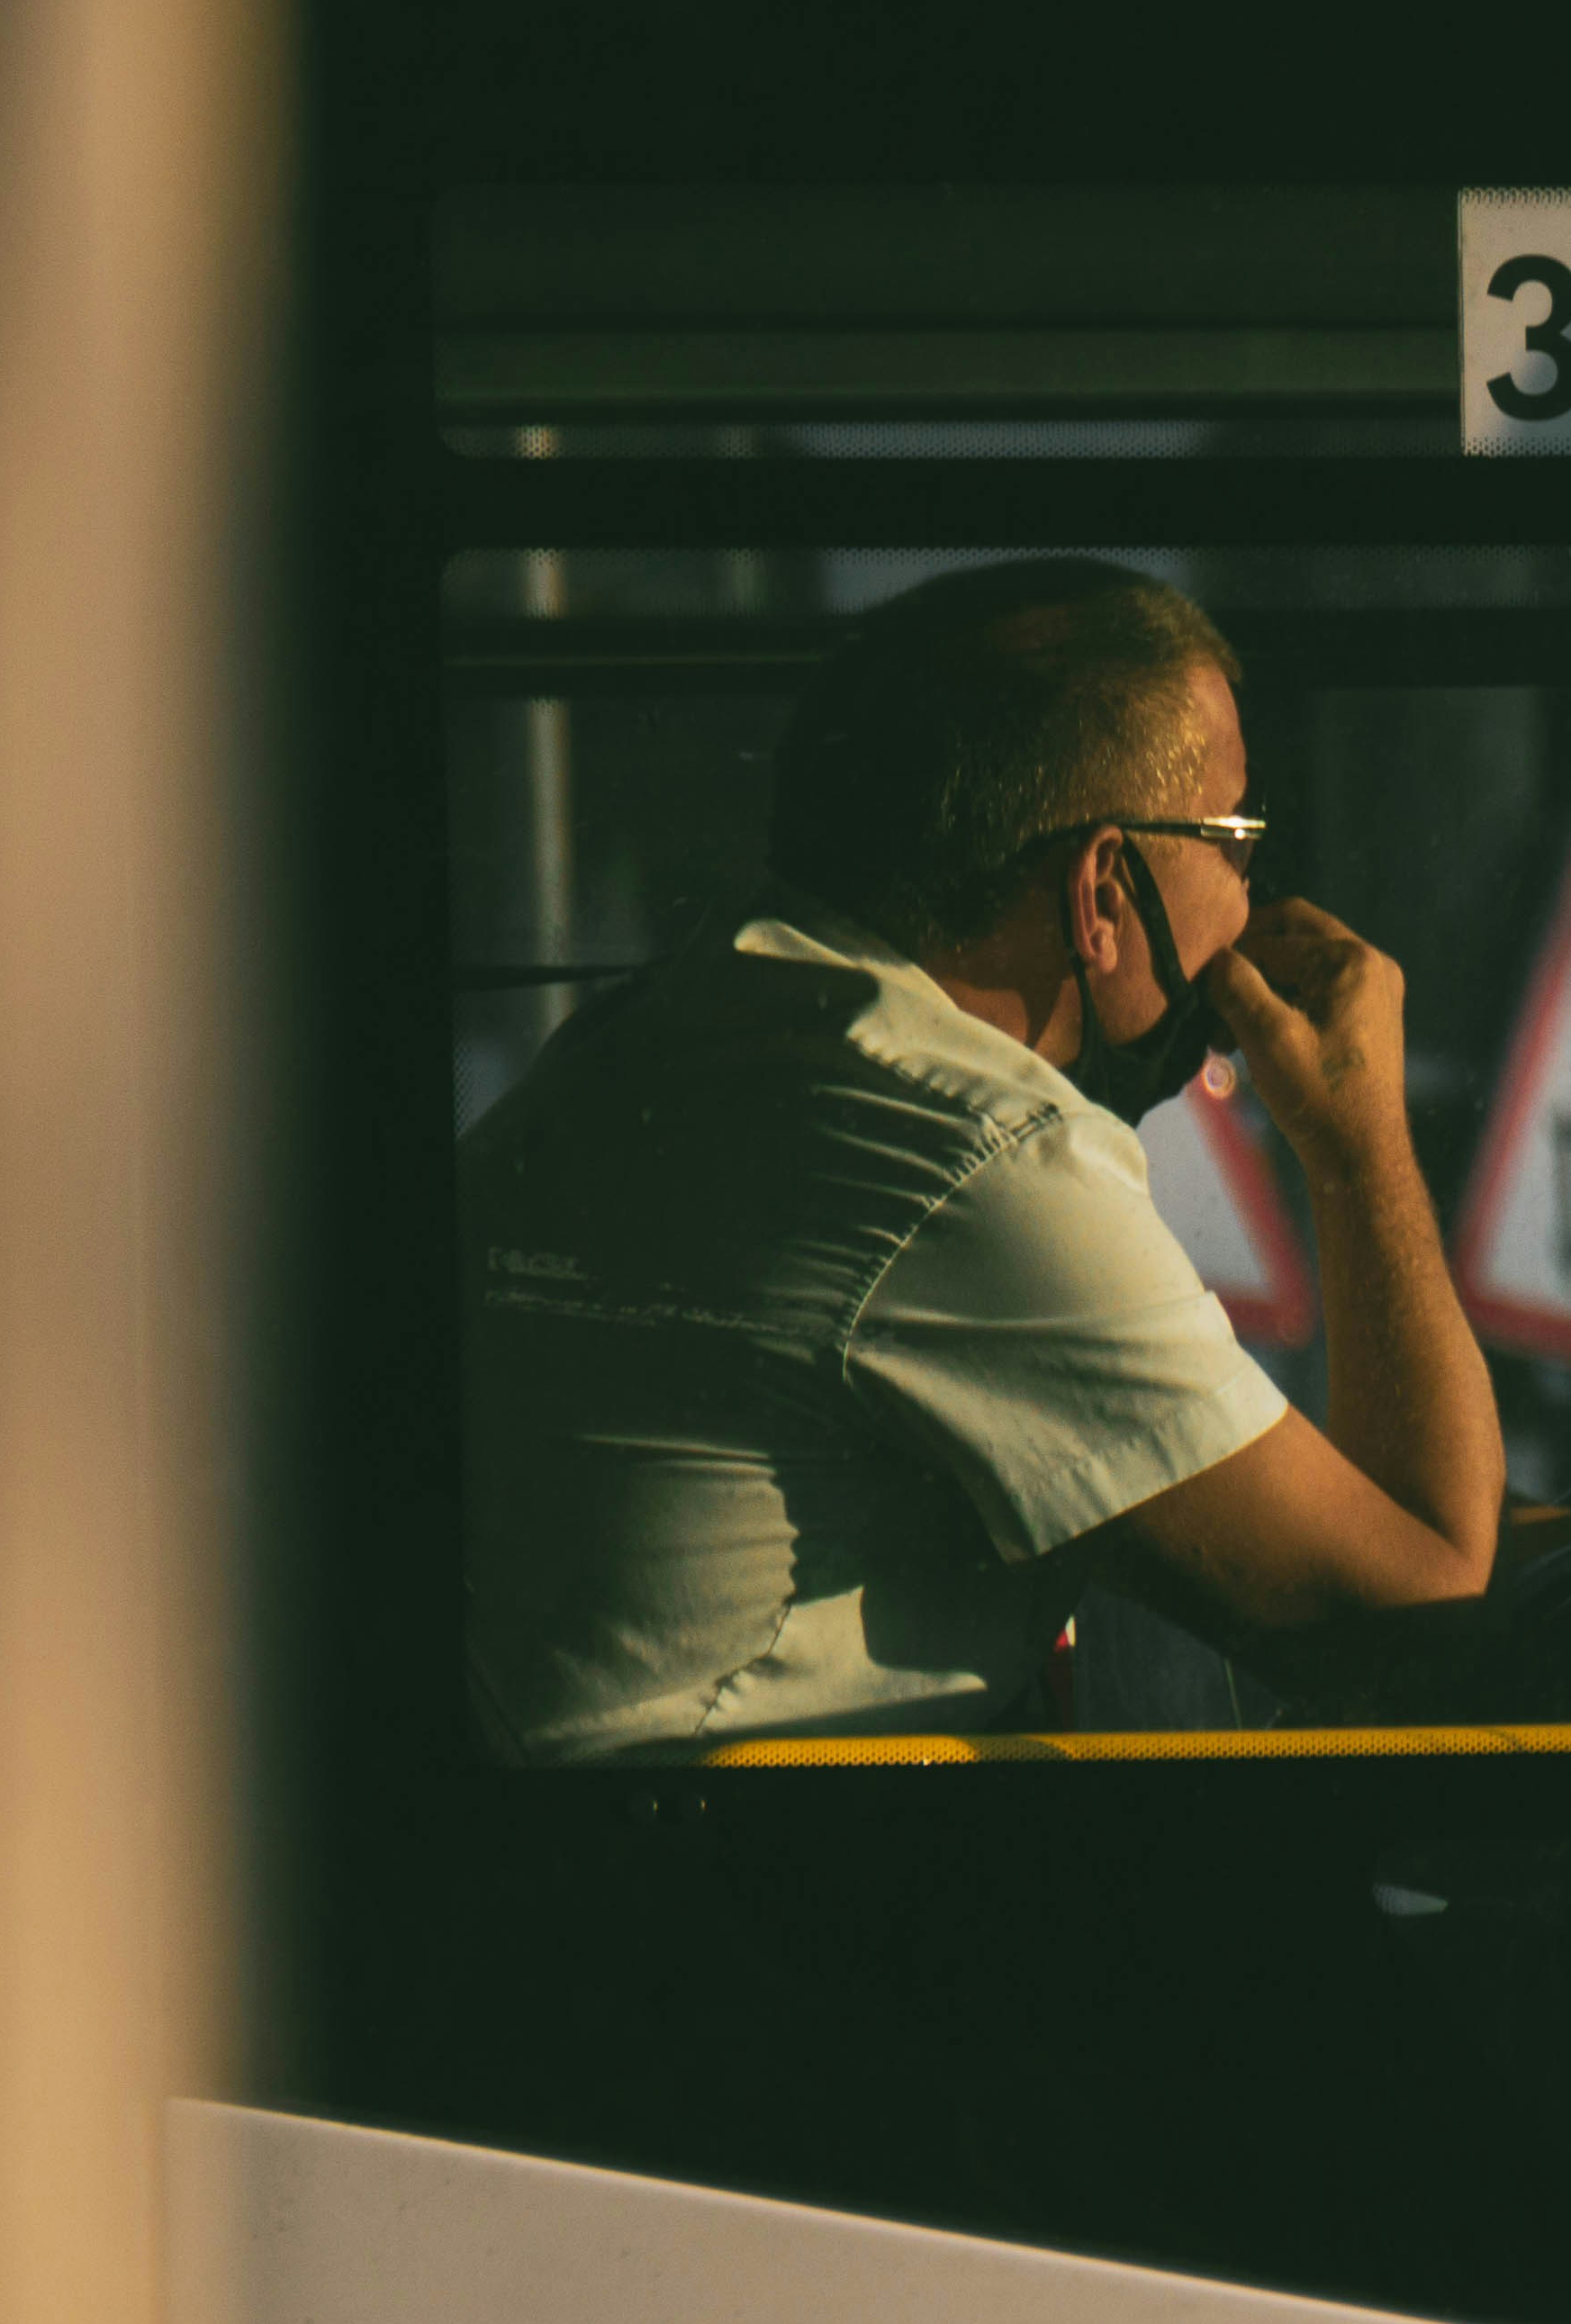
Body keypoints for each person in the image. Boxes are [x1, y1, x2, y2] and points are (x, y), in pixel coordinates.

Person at [462, 558, 1506, 1759]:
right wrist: (1357, 1143)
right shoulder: (975, 1159)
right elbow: (1425, 1615)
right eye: (1236, 837)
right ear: (1102, 890)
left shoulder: (693, 1018)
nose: (1257, 894)